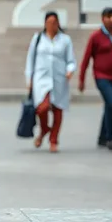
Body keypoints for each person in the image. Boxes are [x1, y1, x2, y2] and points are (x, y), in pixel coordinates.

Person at [79, 7, 112, 151]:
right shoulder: (96, 37)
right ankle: (110, 138)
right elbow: (86, 58)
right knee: (111, 103)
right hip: (102, 76)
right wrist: (81, 79)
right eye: (108, 17)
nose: (111, 20)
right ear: (103, 19)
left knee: (109, 106)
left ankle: (101, 137)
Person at [25, 11, 76, 153]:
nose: (51, 25)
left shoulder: (65, 40)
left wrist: (70, 70)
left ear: (58, 23)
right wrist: (29, 79)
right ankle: (45, 129)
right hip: (41, 79)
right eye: (49, 22)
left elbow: (71, 60)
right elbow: (30, 60)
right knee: (42, 107)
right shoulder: (38, 38)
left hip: (59, 79)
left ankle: (54, 140)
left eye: (54, 22)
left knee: (58, 110)